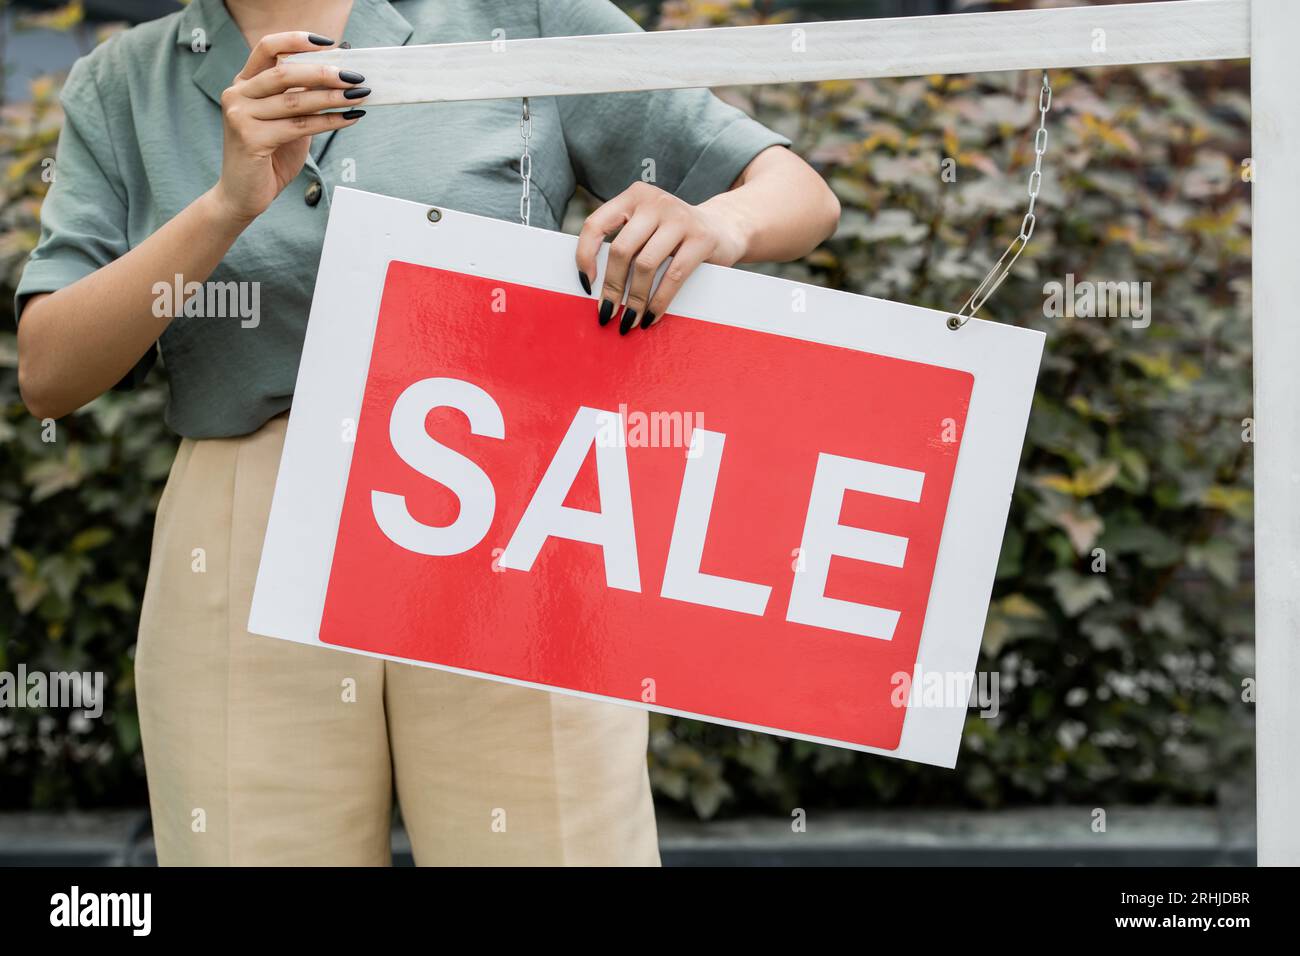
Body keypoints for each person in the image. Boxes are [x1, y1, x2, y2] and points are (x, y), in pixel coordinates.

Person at [14, 0, 840, 865]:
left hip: (508, 512)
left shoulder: (521, 16)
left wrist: (718, 224)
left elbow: (795, 192)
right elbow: (50, 372)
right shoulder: (121, 83)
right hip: (245, 526)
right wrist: (225, 205)